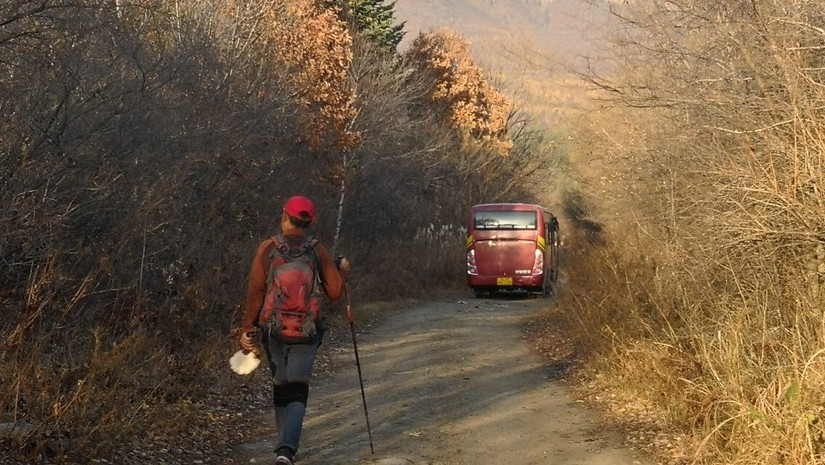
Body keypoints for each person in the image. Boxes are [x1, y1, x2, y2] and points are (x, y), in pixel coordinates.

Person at [239, 195, 350, 465]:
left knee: (281, 384)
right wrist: (343, 271)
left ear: (284, 216)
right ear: (310, 223)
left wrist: (247, 328)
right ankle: (286, 451)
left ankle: (283, 447)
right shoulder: (317, 250)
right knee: (298, 386)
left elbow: (256, 292)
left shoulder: (268, 248)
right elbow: (335, 293)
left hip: (273, 329)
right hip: (307, 331)